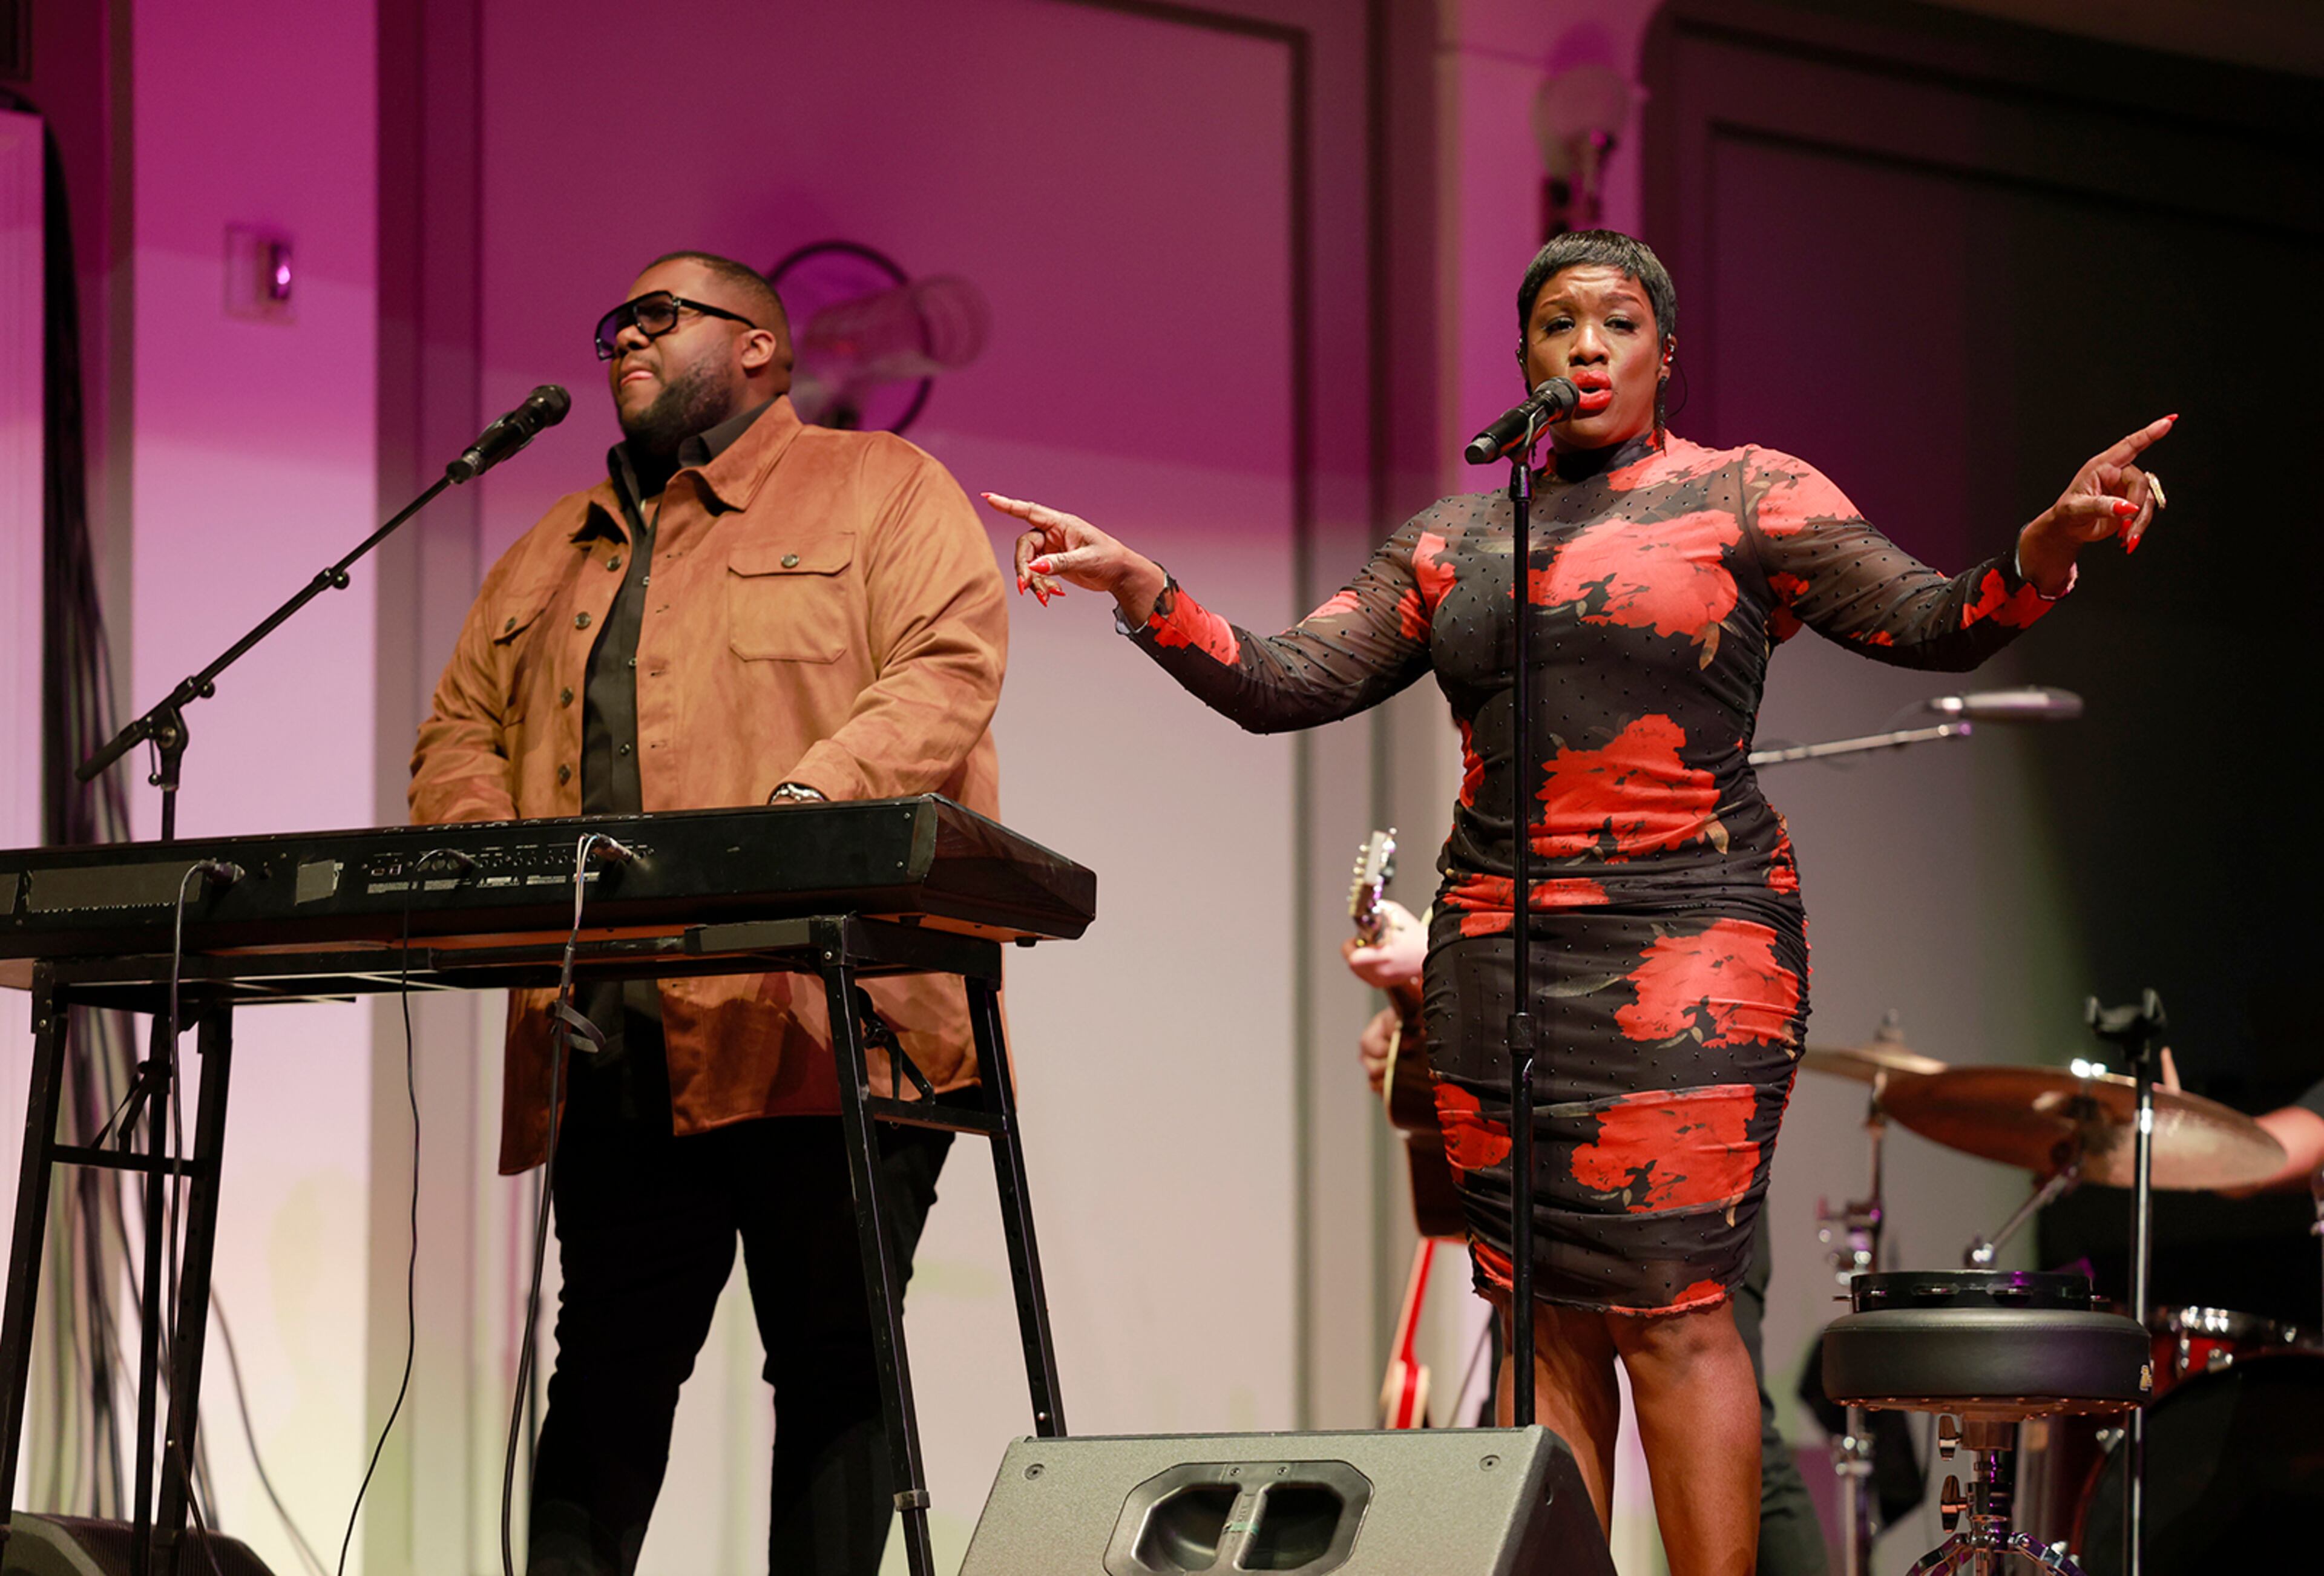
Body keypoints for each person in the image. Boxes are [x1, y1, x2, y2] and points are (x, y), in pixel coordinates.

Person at [984, 228, 2167, 1574]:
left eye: (1616, 325)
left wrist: (2049, 544)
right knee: (1538, 1316)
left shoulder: (1747, 495)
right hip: (1495, 955)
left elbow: (1940, 618)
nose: (1586, 347)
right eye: (1557, 326)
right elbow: (1284, 684)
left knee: (1675, 1308)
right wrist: (1146, 591)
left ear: (1665, 354)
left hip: (1694, 941)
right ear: (1525, 361)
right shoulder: (1454, 540)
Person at [409, 250, 1008, 1576]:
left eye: (662, 314)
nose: (626, 331)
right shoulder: (546, 552)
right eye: (615, 316)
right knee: (607, 1370)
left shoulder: (879, 488)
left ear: (761, 349)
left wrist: (810, 805)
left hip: (828, 1019)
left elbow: (949, 666)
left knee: (835, 1366)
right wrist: (485, 857)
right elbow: (458, 732)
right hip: (610, 1028)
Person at [1347, 900, 1828, 1575]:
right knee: (1539, 1336)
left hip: (1670, 926)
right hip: (1514, 971)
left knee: (1690, 1346)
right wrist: (1433, 996)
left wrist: (1437, 957)